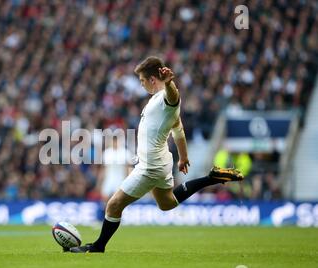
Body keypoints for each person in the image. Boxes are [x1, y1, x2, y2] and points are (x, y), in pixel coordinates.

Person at [70, 56, 244, 253]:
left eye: (143, 81)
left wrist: (169, 83)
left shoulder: (165, 98)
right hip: (161, 161)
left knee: (113, 204)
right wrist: (184, 156)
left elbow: (174, 97)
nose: (142, 85)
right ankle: (211, 178)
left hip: (150, 166)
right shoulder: (155, 100)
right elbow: (178, 129)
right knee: (167, 203)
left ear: (153, 79)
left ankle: (98, 246)